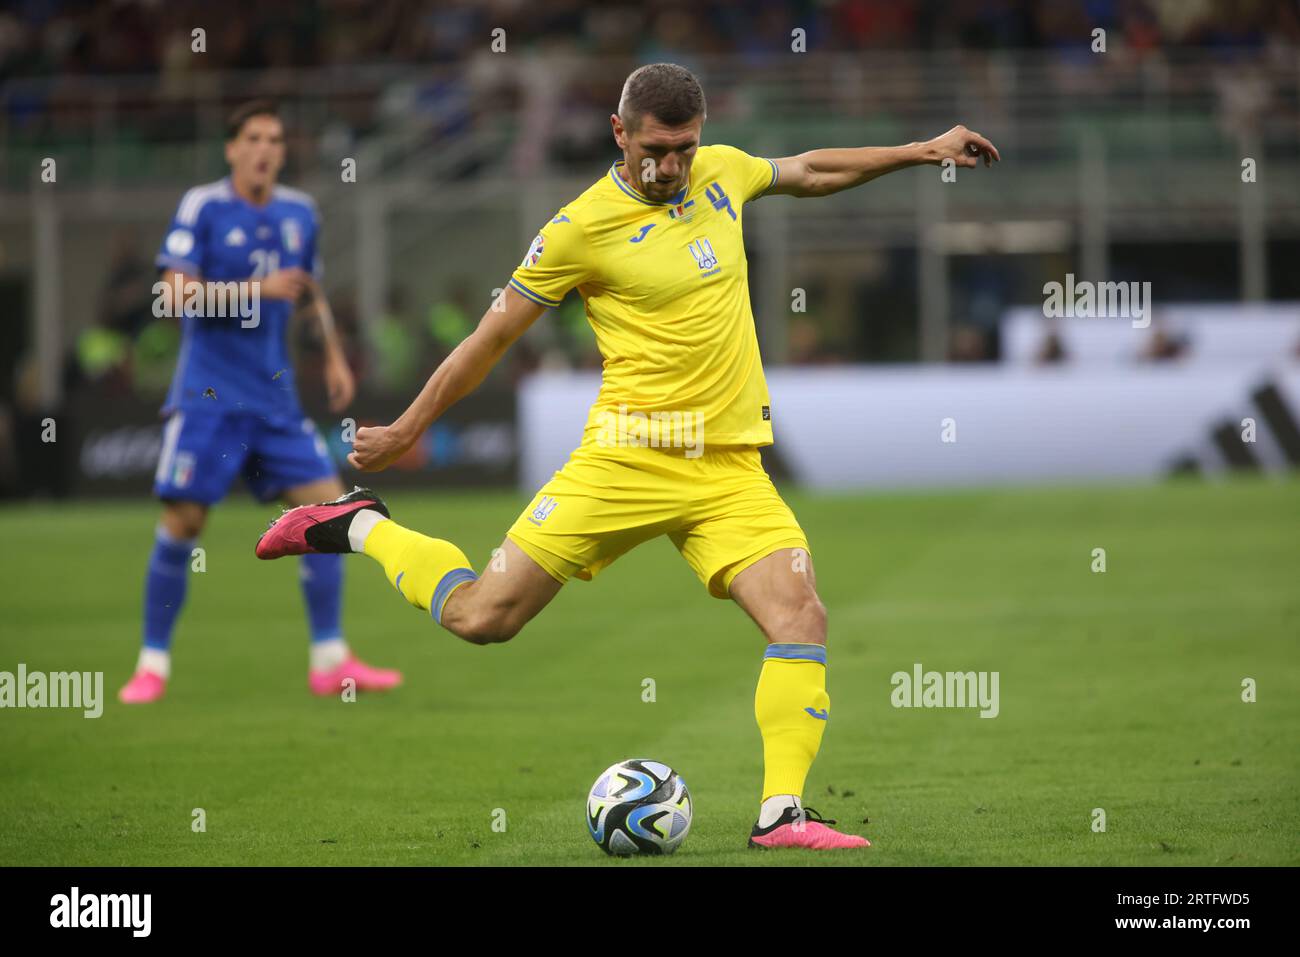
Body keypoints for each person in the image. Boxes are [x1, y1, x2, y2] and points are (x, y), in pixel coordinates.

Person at [255, 64, 998, 848]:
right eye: (655, 149)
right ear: (620, 133)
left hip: (729, 471)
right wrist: (407, 428)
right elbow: (491, 339)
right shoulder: (580, 228)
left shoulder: (721, 173)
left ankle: (782, 812)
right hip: (625, 459)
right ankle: (363, 524)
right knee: (482, 617)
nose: (671, 165)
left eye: (683, 147)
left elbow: (811, 169)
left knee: (800, 614)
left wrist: (924, 149)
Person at [119, 100, 401, 704]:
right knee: (184, 523)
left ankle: (330, 660)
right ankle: (152, 665)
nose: (265, 148)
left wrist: (329, 355)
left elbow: (308, 292)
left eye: (274, 138)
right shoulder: (204, 206)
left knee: (330, 514)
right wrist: (255, 289)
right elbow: (171, 297)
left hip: (275, 402)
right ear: (232, 149)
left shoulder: (300, 212)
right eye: (252, 137)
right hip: (209, 399)